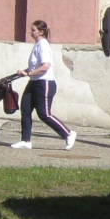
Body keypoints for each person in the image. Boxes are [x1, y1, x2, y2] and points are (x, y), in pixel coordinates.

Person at [11, 20, 77, 150]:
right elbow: (35, 66)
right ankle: (25, 140)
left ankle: (68, 134)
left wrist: (28, 73)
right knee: (25, 109)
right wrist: (24, 71)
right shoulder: (37, 45)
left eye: (33, 30)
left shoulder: (43, 45)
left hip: (44, 83)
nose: (31, 32)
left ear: (41, 32)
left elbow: (45, 67)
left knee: (44, 114)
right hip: (34, 82)